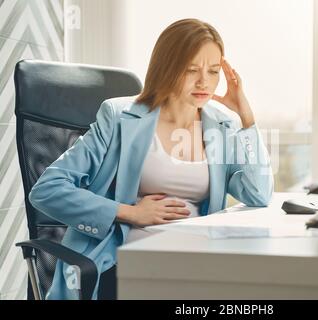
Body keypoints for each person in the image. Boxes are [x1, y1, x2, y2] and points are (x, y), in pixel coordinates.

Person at [29, 18, 273, 300]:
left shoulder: (222, 125)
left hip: (199, 262)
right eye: (191, 69)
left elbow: (258, 194)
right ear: (167, 68)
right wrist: (129, 212)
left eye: (214, 71)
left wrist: (247, 119)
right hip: (132, 263)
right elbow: (47, 190)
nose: (204, 81)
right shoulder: (119, 117)